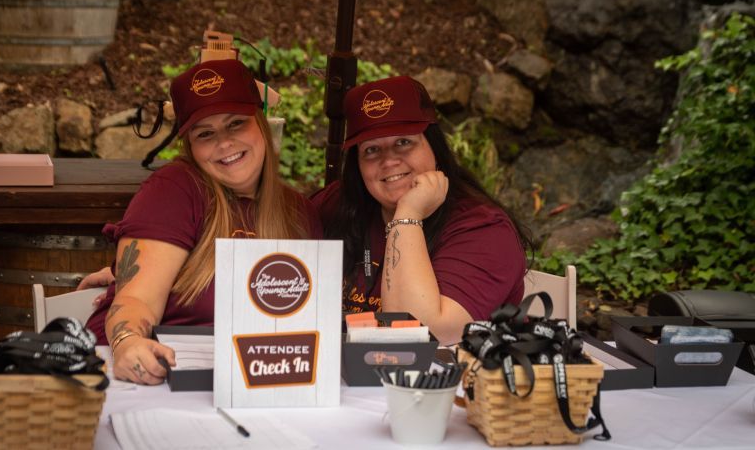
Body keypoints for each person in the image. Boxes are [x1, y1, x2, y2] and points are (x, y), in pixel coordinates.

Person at [84, 59, 322, 385]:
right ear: (191, 146)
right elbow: (136, 299)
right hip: (155, 377)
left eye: (236, 123)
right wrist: (129, 342)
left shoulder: (298, 213)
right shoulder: (176, 189)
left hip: (247, 381)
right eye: (205, 133)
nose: (224, 142)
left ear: (262, 123)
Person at [312, 76, 531, 345]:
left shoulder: (484, 228)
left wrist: (408, 215)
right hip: (347, 378)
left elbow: (419, 335)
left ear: (434, 145)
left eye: (404, 142)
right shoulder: (342, 204)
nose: (389, 160)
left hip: (443, 383)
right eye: (371, 150)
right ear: (357, 166)